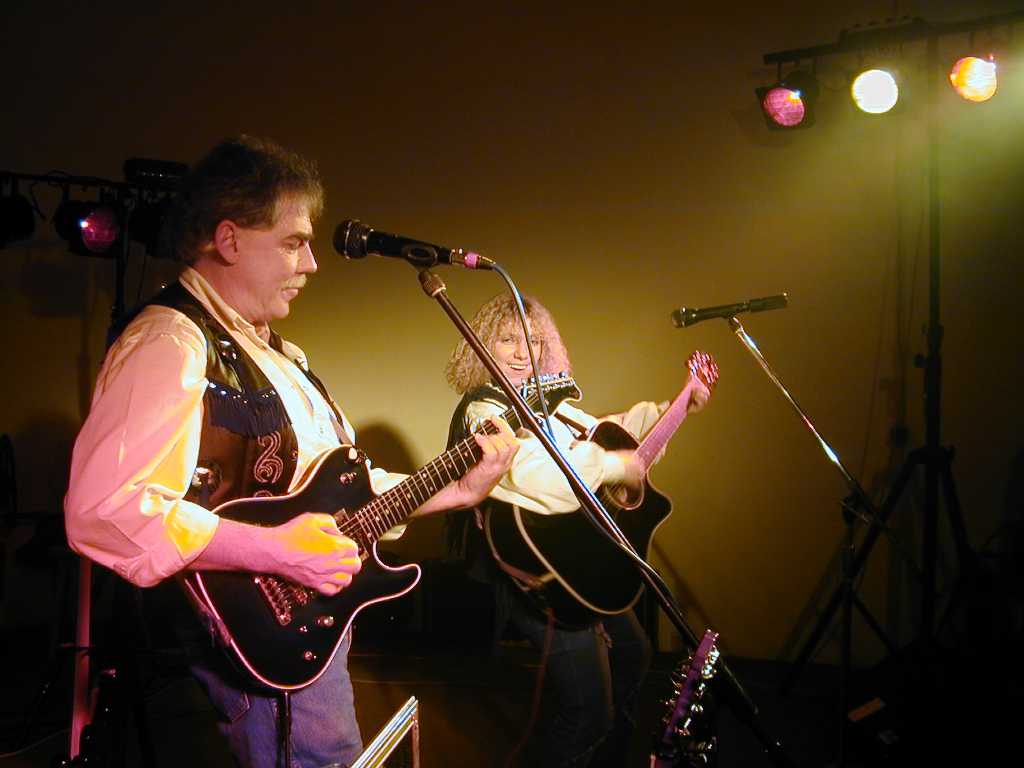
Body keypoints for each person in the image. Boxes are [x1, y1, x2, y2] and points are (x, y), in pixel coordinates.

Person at [63, 135, 518, 768]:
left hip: (306, 634)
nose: (312, 264)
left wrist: (459, 490)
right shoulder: (170, 342)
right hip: (253, 643)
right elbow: (105, 509)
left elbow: (341, 501)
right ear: (229, 240)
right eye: (293, 242)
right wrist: (274, 551)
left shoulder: (279, 356)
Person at [444, 293, 710, 767]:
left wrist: (675, 407)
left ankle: (606, 753)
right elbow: (537, 473)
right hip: (537, 576)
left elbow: (609, 431)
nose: (522, 352)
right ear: (483, 345)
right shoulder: (482, 411)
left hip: (576, 561)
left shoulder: (545, 401)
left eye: (532, 341)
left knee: (633, 652)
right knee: (585, 710)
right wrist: (613, 466)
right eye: (507, 340)